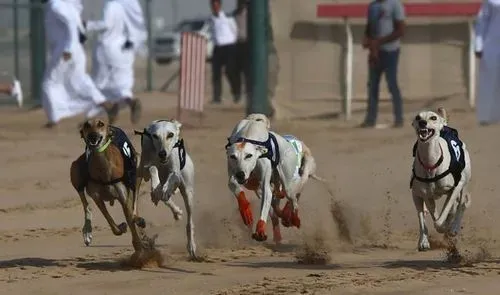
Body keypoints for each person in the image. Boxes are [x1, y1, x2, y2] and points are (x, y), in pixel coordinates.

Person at [41, 0, 117, 129]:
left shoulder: (56, 5)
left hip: (65, 50)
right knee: (80, 80)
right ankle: (105, 104)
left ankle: (53, 119)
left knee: (49, 83)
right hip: (75, 49)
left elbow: (71, 23)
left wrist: (68, 48)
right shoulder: (65, 5)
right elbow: (76, 21)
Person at [85, 0, 145, 125]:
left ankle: (93, 119)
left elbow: (106, 24)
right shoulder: (125, 6)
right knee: (121, 85)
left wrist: (87, 25)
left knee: (99, 83)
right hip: (122, 49)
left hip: (106, 49)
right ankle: (130, 102)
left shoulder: (110, 5)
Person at [361, 0, 405, 128]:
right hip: (375, 51)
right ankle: (370, 119)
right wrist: (368, 40)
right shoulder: (373, 6)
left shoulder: (395, 5)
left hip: (390, 51)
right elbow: (369, 27)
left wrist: (379, 41)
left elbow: (400, 30)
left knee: (392, 83)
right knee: (373, 85)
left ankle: (398, 118)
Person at [233, 0, 280, 118]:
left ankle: (265, 106)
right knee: (248, 78)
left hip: (262, 46)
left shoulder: (266, 10)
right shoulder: (239, 14)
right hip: (244, 47)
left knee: (268, 77)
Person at [209, 0, 240, 104]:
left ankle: (236, 93)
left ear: (220, 5)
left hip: (229, 46)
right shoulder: (211, 19)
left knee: (230, 71)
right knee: (216, 73)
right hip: (217, 47)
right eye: (213, 5)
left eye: (216, 5)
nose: (215, 7)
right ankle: (217, 97)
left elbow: (235, 31)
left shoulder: (227, 18)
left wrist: (233, 43)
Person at [475, 0, 500, 126]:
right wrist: (478, 45)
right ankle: (486, 116)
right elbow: (482, 20)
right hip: (493, 45)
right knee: (489, 81)